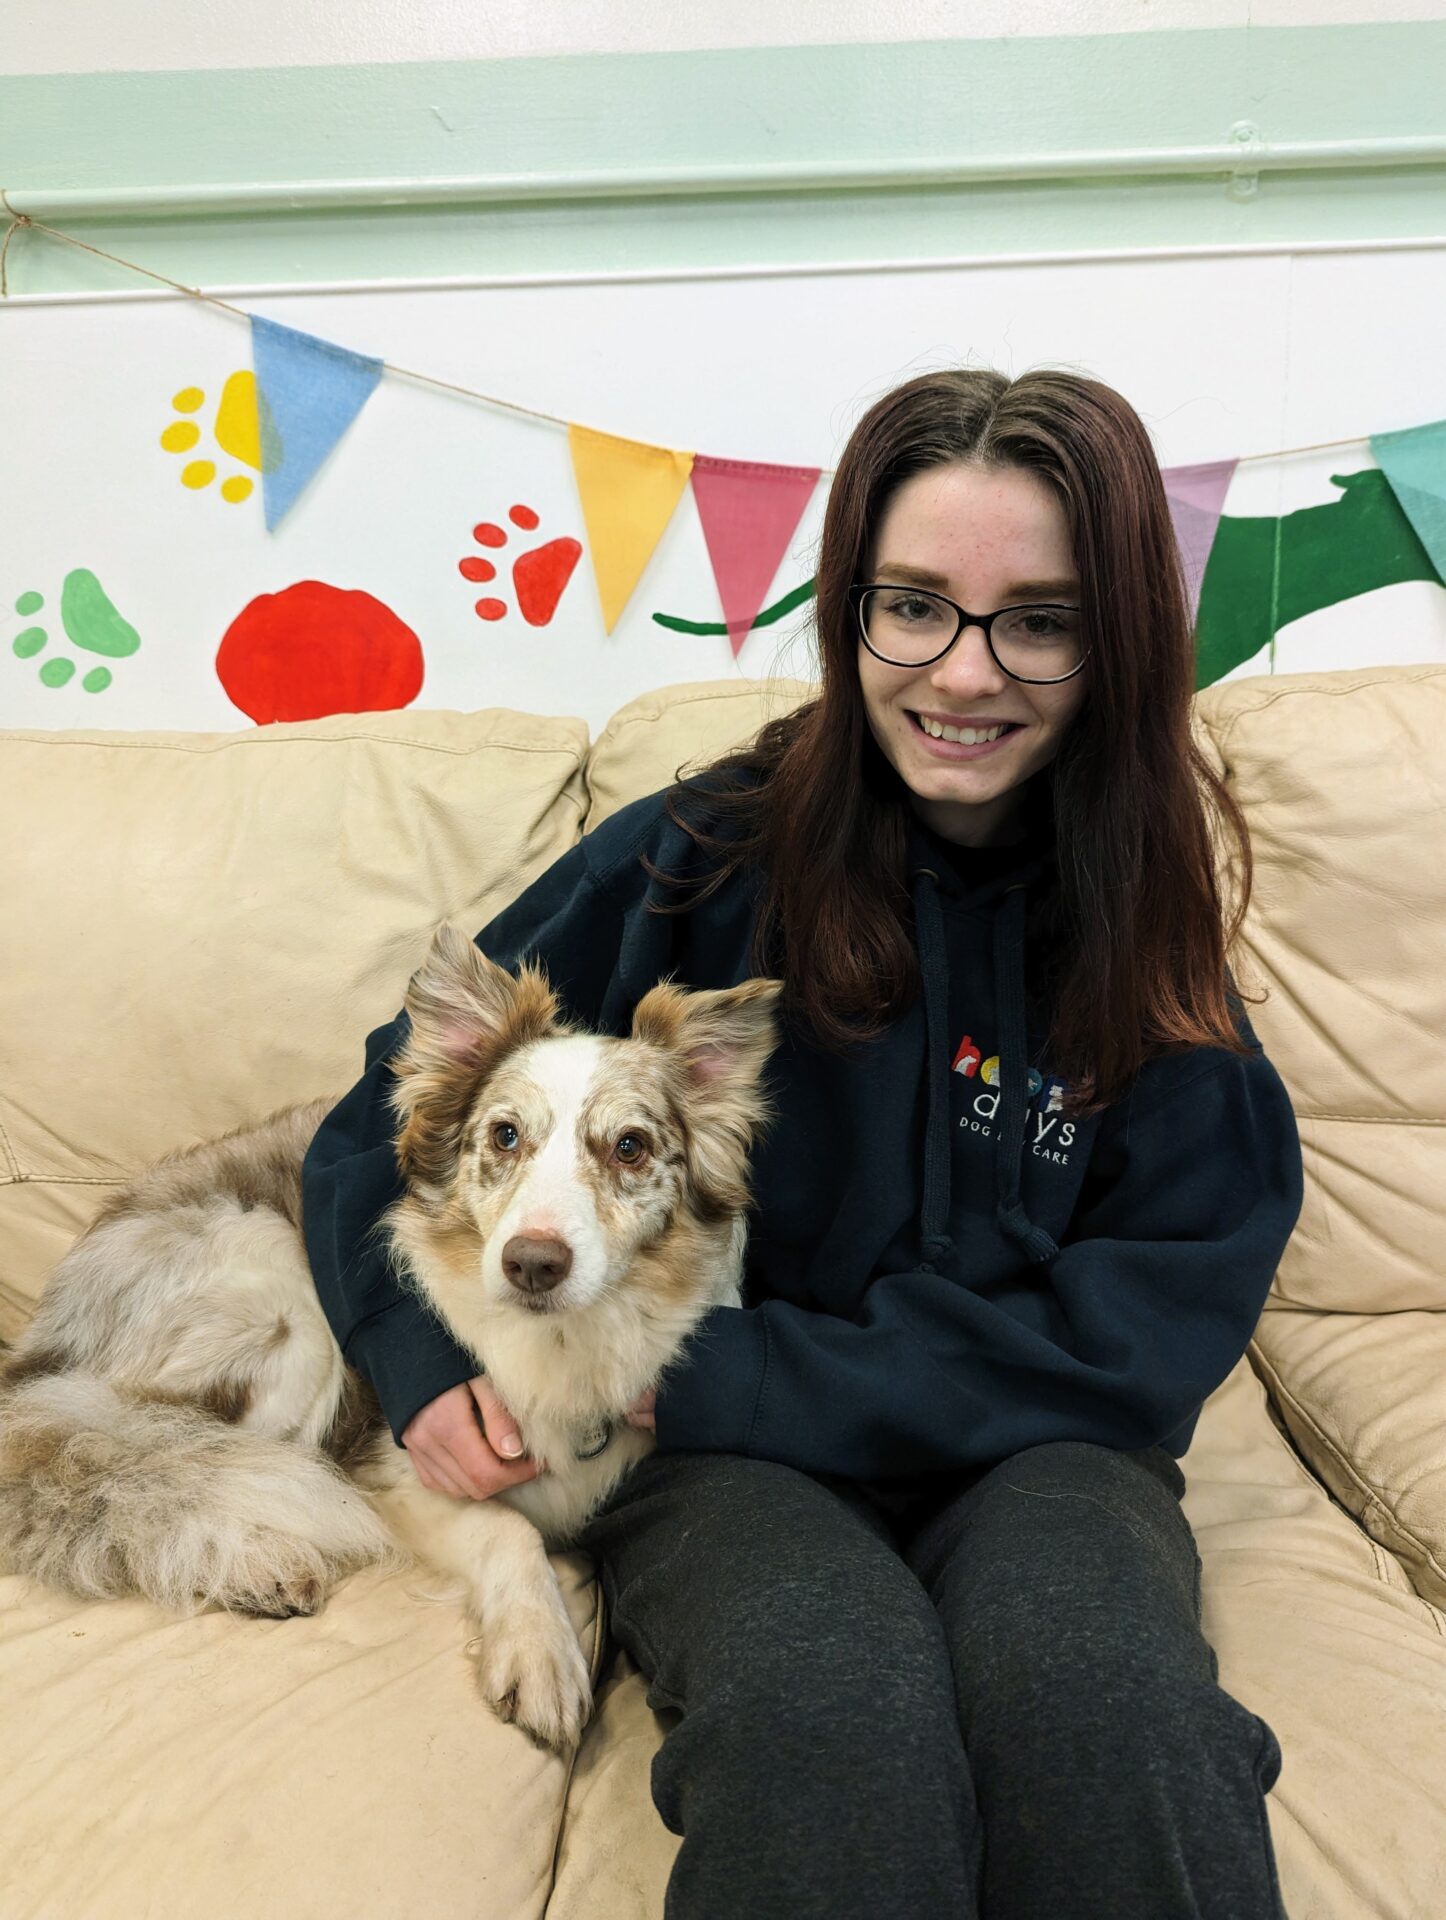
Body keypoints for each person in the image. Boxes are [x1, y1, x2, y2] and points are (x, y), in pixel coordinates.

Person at [302, 366, 1303, 1919]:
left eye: (1036, 619)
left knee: (1118, 1723)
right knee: (831, 1732)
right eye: (912, 605)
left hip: (1035, 1453)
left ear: (1112, 643)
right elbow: (387, 1121)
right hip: (713, 1454)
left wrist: (728, 1372)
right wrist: (417, 1365)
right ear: (847, 608)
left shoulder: (1146, 922)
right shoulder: (696, 851)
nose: (963, 674)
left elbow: (1161, 1305)